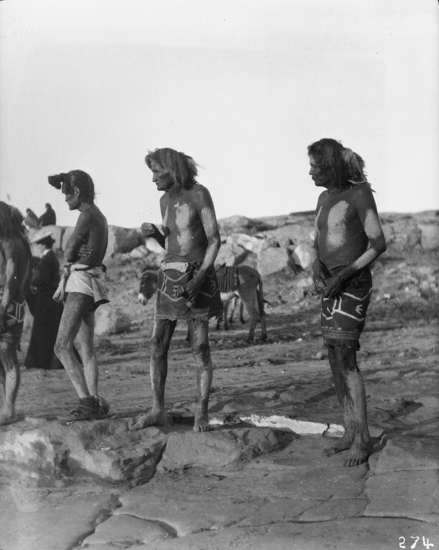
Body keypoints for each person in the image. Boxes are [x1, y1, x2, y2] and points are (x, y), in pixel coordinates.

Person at [129, 148, 222, 433]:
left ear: (174, 170)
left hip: (198, 279)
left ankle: (202, 413)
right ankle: (157, 409)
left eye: (158, 172)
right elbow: (172, 245)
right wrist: (157, 235)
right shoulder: (163, 201)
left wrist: (200, 278)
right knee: (157, 345)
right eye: (152, 173)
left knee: (200, 347)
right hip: (169, 279)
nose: (154, 178)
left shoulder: (199, 194)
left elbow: (214, 240)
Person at [308, 138, 387, 467]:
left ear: (331, 167)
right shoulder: (324, 198)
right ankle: (350, 430)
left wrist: (347, 273)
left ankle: (364, 437)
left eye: (316, 166)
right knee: (333, 356)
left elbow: (378, 243)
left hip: (352, 283)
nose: (310, 172)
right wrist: (316, 265)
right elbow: (317, 240)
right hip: (330, 283)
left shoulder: (359, 194)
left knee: (346, 356)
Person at [49, 170, 109, 420]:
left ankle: (86, 402)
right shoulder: (99, 216)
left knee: (61, 346)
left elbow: (69, 249)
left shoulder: (86, 215)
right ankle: (94, 399)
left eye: (66, 195)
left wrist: (71, 253)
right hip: (91, 283)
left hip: (81, 284)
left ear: (76, 192)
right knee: (85, 348)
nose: (64, 201)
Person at [0, 202, 32, 425]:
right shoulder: (8, 241)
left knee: (7, 356)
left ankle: (9, 408)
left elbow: (11, 282)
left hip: (8, 304)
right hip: (7, 302)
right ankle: (5, 407)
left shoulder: (11, 242)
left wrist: (2, 310)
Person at [24, 227, 63, 370]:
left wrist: (31, 282)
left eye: (37, 244)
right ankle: (53, 362)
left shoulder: (46, 259)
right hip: (51, 299)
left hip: (45, 299)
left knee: (42, 331)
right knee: (52, 331)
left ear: (42, 245)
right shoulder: (51, 258)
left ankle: (42, 362)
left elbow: (38, 279)